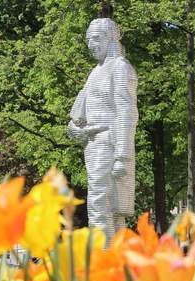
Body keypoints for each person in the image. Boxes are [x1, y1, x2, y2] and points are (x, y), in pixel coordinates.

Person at [68, 18, 138, 244]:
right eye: (88, 39)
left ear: (111, 38)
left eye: (96, 38)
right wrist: (75, 130)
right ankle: (114, 263)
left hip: (108, 143)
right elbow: (79, 115)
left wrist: (122, 156)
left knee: (101, 204)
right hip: (93, 144)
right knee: (108, 207)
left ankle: (103, 259)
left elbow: (126, 112)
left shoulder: (120, 67)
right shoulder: (95, 72)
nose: (90, 44)